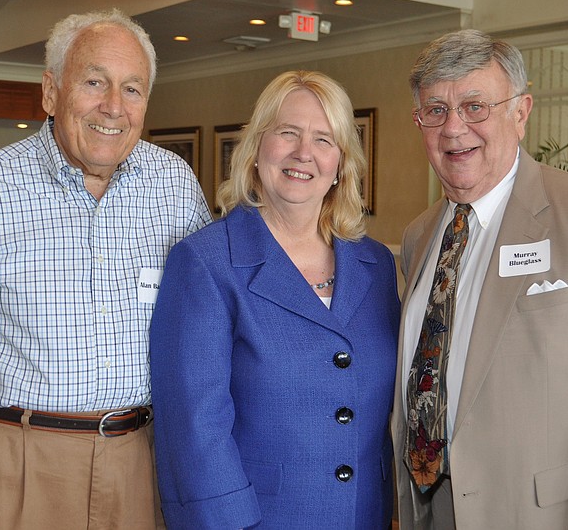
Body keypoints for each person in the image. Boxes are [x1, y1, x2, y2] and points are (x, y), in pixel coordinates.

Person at [0, 9, 212, 529]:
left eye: (132, 89)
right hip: (9, 463)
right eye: (95, 82)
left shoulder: (175, 186)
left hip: (139, 462)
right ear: (50, 92)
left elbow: (206, 319)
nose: (114, 107)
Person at [391, 29, 568, 530]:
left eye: (475, 106)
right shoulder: (419, 236)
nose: (453, 129)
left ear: (520, 113)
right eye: (435, 110)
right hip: (431, 512)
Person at [150, 70, 400, 529]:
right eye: (288, 133)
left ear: (341, 162)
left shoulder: (377, 265)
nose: (304, 153)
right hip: (257, 519)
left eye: (324, 139)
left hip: (363, 516)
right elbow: (192, 428)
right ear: (256, 146)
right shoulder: (206, 262)